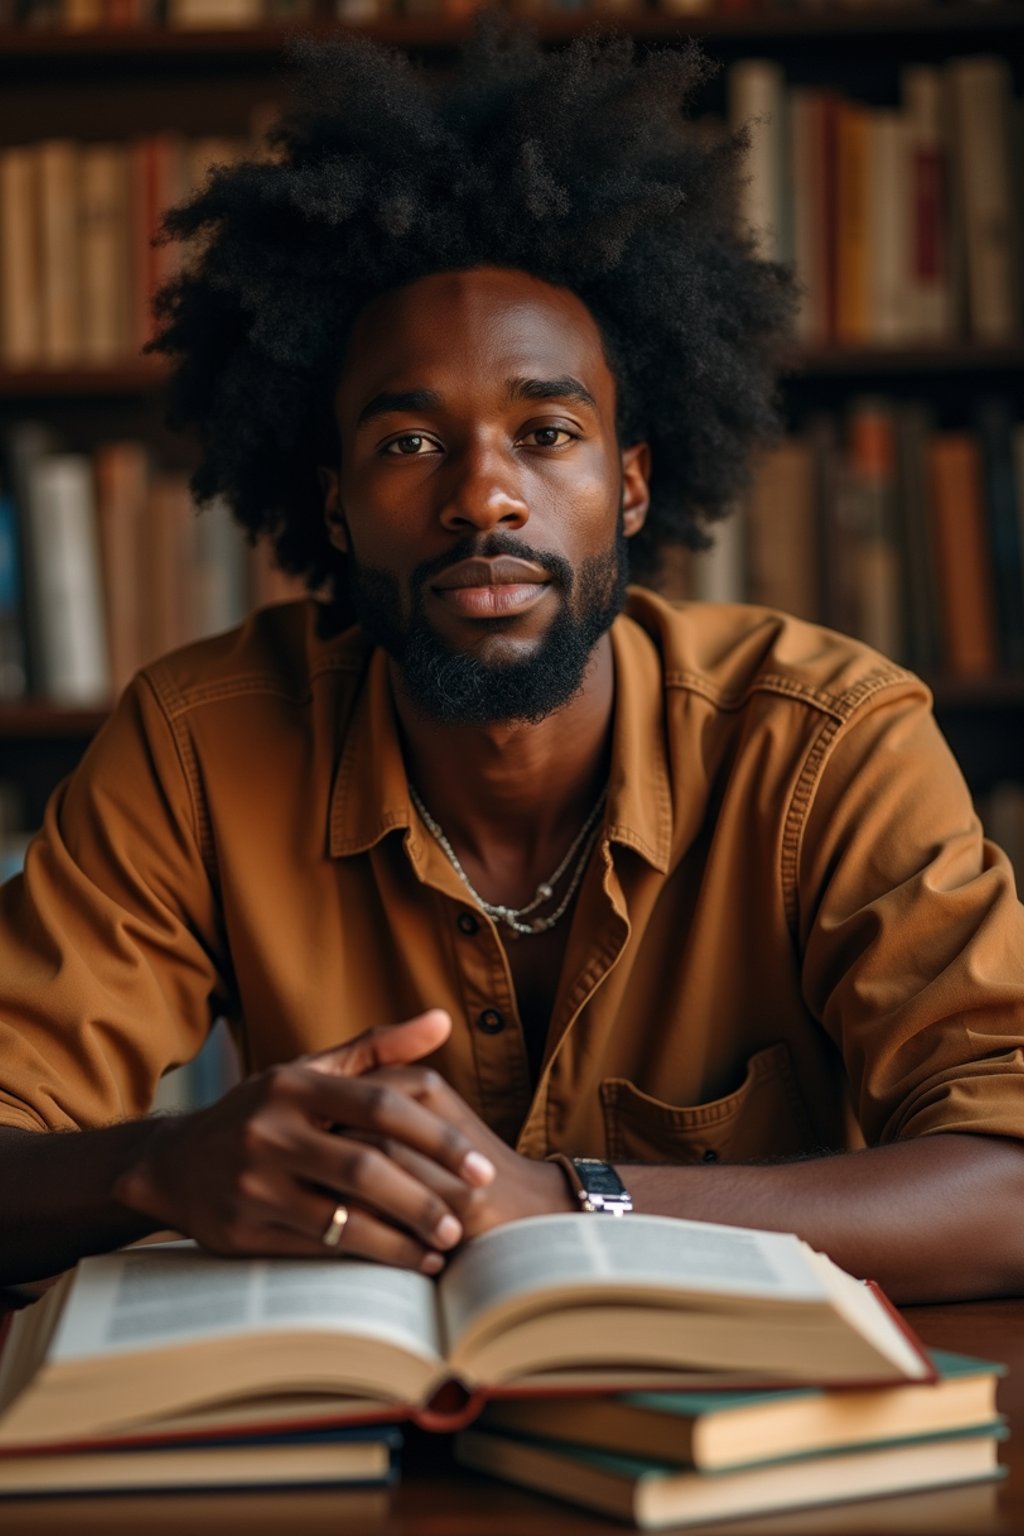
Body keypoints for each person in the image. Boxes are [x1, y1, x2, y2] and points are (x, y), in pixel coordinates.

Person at [1, 25, 1022, 1306]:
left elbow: (1010, 1183)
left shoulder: (824, 740)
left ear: (630, 484)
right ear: (332, 506)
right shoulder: (200, 743)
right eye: (410, 442)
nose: (484, 497)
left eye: (546, 431)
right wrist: (156, 1165)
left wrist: (565, 1198)